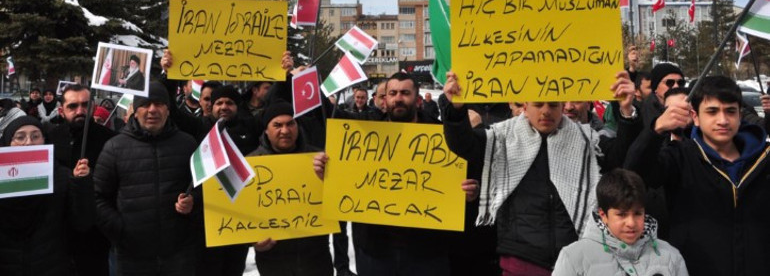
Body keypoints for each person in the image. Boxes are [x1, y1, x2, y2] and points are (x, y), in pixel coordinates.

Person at [442, 70, 639, 275]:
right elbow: (463, 144)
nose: (546, 111)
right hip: (521, 260)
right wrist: (455, 109)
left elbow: (619, 157)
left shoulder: (587, 139)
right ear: (525, 107)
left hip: (575, 260)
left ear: (562, 107)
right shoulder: (502, 138)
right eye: (538, 104)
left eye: (553, 105)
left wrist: (627, 112)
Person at [314, 72, 479, 276]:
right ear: (384, 99)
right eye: (392, 93)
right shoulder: (364, 132)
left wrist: (470, 192)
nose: (398, 98)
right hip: (375, 251)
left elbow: (468, 177)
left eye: (405, 93)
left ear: (417, 99)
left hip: (428, 252)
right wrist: (328, 171)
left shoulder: (443, 136)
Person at [625, 75, 770, 276]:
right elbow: (634, 174)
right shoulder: (680, 156)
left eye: (730, 111)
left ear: (739, 115)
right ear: (695, 117)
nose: (722, 120)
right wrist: (656, 129)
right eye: (712, 111)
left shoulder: (763, 159)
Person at [94, 81, 198, 276]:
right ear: (135, 110)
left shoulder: (187, 144)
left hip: (178, 253)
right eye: (145, 104)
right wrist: (121, 230)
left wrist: (193, 202)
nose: (152, 110)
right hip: (131, 255)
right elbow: (97, 197)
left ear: (168, 109)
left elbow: (202, 188)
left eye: (159, 104)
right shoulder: (114, 147)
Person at [0, 116, 94, 276]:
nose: (28, 142)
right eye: (20, 137)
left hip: (51, 266)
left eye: (35, 136)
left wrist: (81, 184)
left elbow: (82, 222)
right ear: (8, 143)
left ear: (45, 140)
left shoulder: (63, 176)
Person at [248, 101, 334, 276]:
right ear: (266, 129)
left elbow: (341, 208)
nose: (285, 131)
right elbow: (240, 214)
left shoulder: (319, 160)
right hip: (273, 261)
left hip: (316, 258)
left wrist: (329, 180)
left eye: (290, 123)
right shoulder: (250, 166)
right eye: (277, 125)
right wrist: (251, 240)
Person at [552, 169, 688, 276]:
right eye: (621, 215)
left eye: (637, 213)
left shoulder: (670, 255)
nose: (631, 223)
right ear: (603, 215)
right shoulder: (574, 256)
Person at [49, 83, 116, 276]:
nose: (80, 111)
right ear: (61, 111)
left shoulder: (110, 140)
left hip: (96, 234)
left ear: (93, 108)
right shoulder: (50, 137)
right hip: (58, 233)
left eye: (85, 105)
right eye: (73, 106)